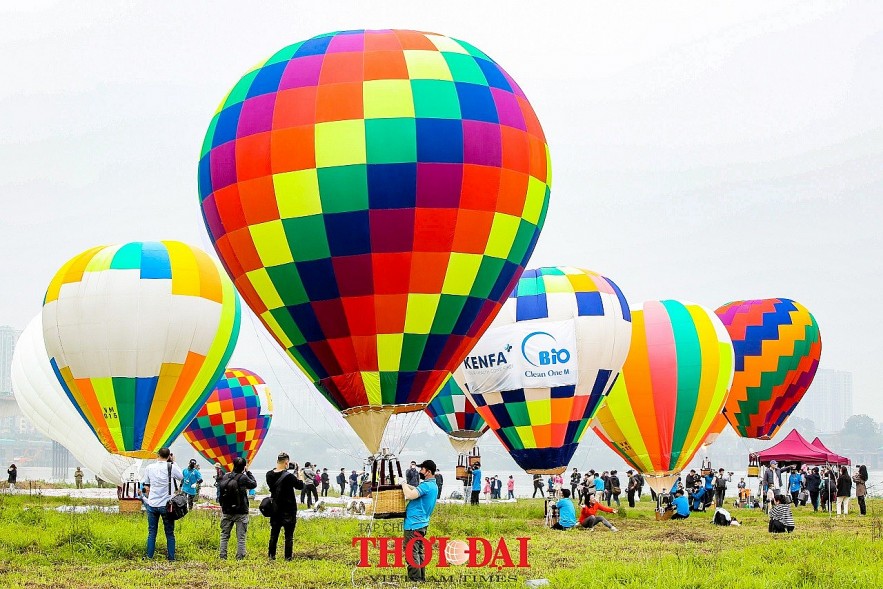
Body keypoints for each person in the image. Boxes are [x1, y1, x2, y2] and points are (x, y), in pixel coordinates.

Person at [140, 448, 183, 560]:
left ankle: (149, 556)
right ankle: (171, 558)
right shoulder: (171, 467)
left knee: (152, 532)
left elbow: (146, 484)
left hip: (152, 504)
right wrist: (173, 462)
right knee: (169, 533)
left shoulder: (149, 468)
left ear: (157, 455)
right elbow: (181, 477)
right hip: (167, 505)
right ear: (169, 456)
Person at [402, 459, 439, 583]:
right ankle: (421, 578)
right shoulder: (433, 485)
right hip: (422, 524)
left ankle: (415, 580)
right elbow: (416, 490)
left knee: (411, 552)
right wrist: (408, 486)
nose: (420, 471)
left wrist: (402, 484)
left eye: (422, 469)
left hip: (413, 524)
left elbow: (411, 495)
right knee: (418, 551)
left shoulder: (426, 486)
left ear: (428, 472)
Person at [266, 452, 304, 561]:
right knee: (288, 536)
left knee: (274, 534)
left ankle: (271, 556)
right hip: (289, 509)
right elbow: (300, 485)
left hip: (275, 508)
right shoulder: (289, 476)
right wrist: (299, 473)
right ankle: (288, 557)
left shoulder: (269, 474)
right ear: (286, 463)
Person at [218, 457, 257, 560]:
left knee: (224, 535)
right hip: (241, 511)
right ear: (243, 467)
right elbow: (254, 484)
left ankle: (222, 556)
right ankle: (240, 557)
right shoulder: (243, 478)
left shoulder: (225, 477)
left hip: (226, 510)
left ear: (233, 465)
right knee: (241, 537)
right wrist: (248, 472)